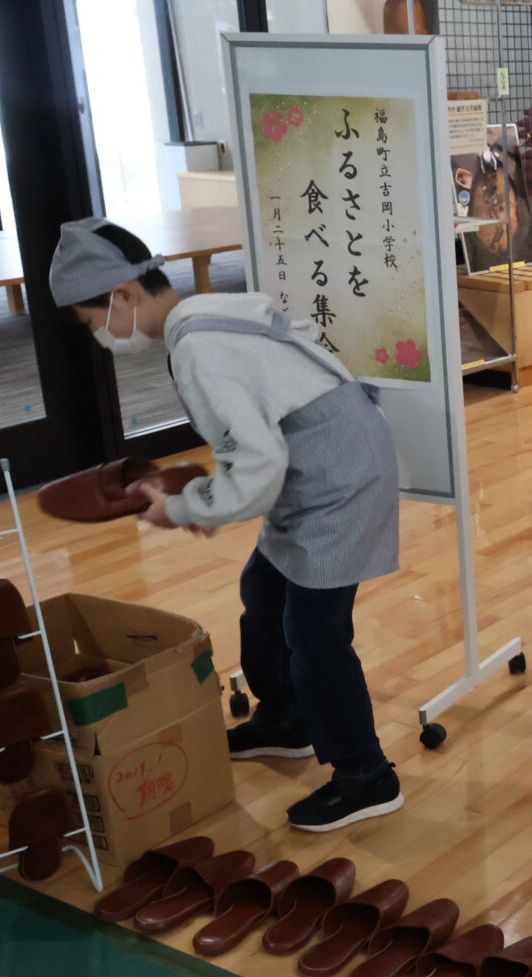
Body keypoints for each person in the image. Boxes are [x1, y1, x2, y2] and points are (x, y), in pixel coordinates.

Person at [48, 218, 404, 833]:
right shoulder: (204, 313)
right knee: (262, 592)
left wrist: (183, 508)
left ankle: (366, 776)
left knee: (315, 633)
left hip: (337, 481)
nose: (101, 336)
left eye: (93, 322)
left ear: (125, 296)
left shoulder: (197, 349)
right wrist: (203, 493)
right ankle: (286, 720)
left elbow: (258, 465)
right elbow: (260, 437)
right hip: (321, 463)